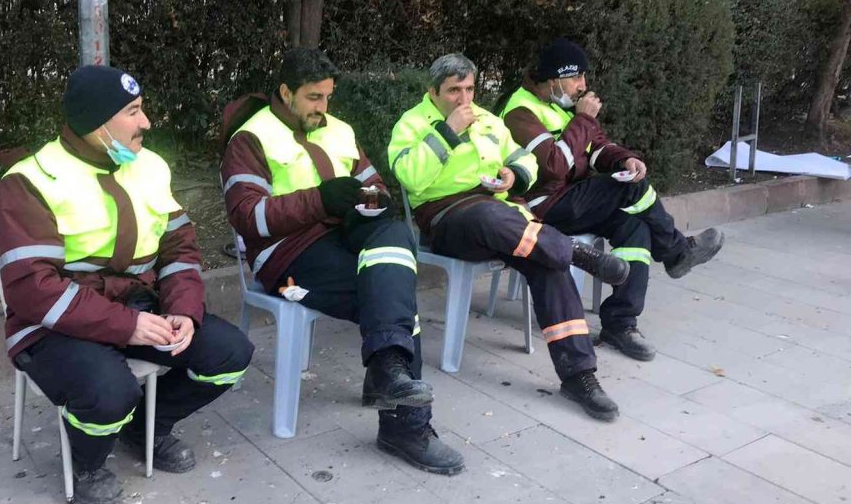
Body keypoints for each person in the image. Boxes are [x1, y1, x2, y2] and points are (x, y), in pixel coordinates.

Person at [0, 65, 254, 504]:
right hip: (53, 324)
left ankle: (147, 428)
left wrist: (184, 311)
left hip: (140, 305)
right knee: (111, 391)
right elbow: (32, 290)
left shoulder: (149, 167)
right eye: (134, 112)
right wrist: (127, 326)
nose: (146, 122)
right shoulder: (29, 180)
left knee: (228, 353)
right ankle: (89, 464)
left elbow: (179, 248)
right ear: (97, 123)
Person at [221, 48, 465, 474]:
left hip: (346, 235)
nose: (324, 108)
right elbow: (248, 217)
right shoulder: (249, 139)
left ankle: (389, 376)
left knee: (395, 238)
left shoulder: (339, 130)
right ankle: (402, 421)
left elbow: (371, 182)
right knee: (395, 293)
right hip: (288, 253)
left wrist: (375, 202)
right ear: (285, 92)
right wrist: (320, 200)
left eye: (328, 97)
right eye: (314, 98)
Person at [389, 53, 629, 421]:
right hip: (446, 218)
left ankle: (580, 375)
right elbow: (409, 176)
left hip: (506, 217)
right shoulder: (411, 123)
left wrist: (513, 175)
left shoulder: (487, 119)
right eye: (454, 90)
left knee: (547, 262)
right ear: (433, 91)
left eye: (469, 88)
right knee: (494, 217)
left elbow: (526, 160)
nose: (464, 99)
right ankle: (574, 251)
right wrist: (447, 132)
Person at [498, 39, 724, 362]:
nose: (583, 85)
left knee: (633, 226)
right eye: (577, 78)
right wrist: (583, 120)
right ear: (554, 79)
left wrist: (625, 160)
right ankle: (676, 251)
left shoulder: (561, 108)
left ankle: (620, 323)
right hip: (541, 207)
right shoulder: (520, 112)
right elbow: (552, 168)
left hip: (573, 199)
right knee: (630, 189)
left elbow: (597, 147)